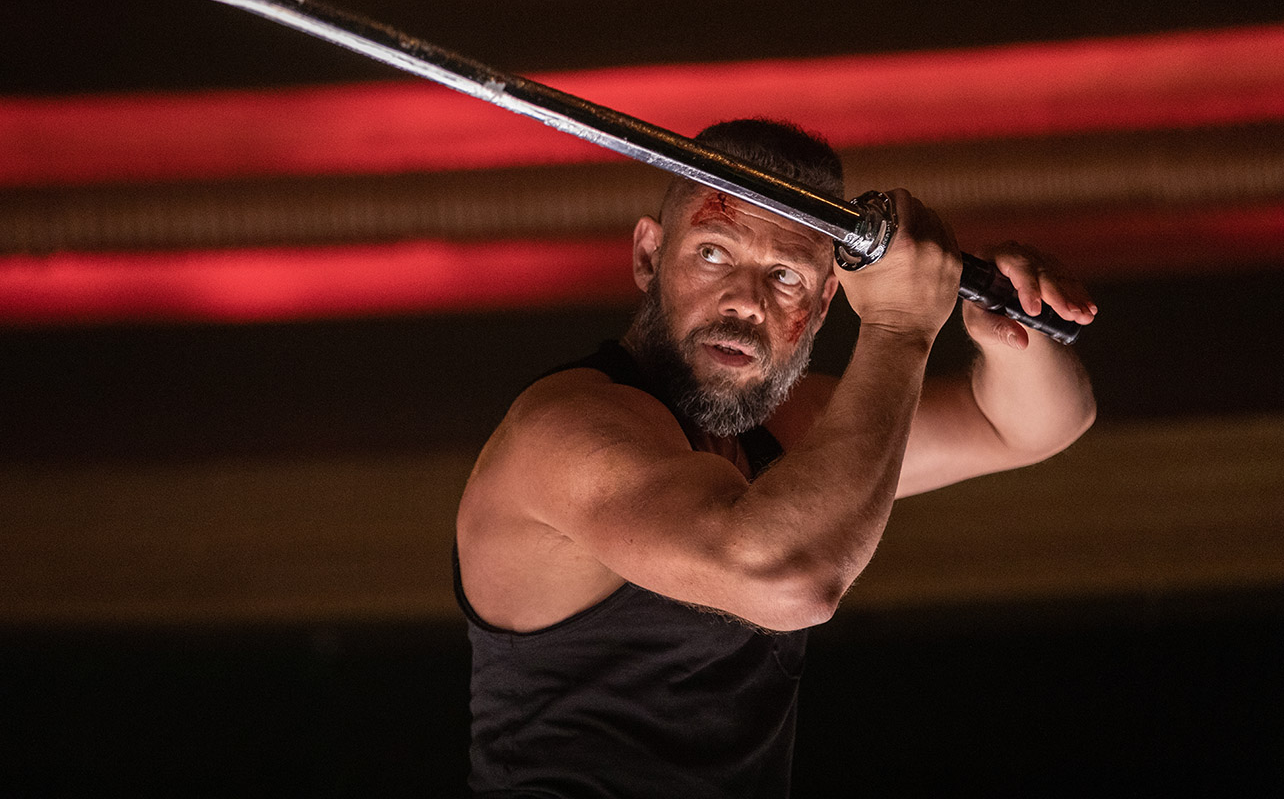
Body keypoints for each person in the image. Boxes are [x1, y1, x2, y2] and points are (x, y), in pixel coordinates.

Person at [453, 119, 1097, 797]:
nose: (745, 302)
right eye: (713, 254)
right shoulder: (565, 432)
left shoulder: (789, 433)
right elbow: (788, 581)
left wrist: (1011, 324)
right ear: (648, 257)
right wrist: (900, 327)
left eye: (785, 275)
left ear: (822, 305)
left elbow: (1031, 425)